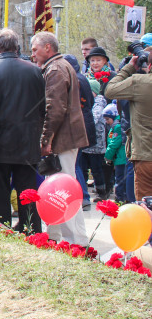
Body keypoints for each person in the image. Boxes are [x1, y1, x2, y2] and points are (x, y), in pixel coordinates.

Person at [0, 29, 45, 234]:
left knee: (0, 190)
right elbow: (42, 107)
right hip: (27, 140)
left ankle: (2, 227)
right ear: (17, 47)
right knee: (28, 190)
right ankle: (31, 229)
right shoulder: (35, 71)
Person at [31, 31, 89, 244]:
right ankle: (62, 236)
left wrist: (46, 140)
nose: (33, 54)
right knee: (64, 187)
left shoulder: (55, 69)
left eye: (35, 49)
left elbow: (54, 108)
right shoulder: (60, 66)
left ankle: (73, 241)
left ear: (48, 48)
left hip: (62, 139)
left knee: (63, 191)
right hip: (66, 138)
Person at [105, 52, 152, 199]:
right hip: (144, 154)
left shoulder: (140, 82)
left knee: (146, 208)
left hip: (145, 155)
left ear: (149, 65)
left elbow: (110, 90)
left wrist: (129, 67)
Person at [64, 54, 98, 211]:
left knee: (75, 163)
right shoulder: (82, 78)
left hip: (79, 125)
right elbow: (90, 102)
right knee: (79, 163)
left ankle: (83, 196)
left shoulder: (74, 80)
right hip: (86, 122)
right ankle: (82, 196)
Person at [103, 104, 129, 201]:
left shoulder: (117, 127)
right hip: (120, 158)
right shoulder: (116, 126)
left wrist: (107, 156)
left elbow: (114, 144)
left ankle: (119, 200)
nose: (107, 122)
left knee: (120, 180)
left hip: (121, 158)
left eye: (107, 119)